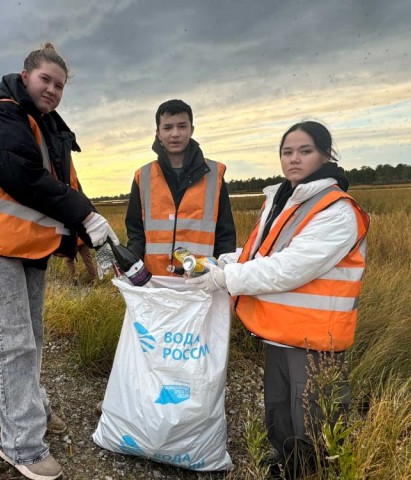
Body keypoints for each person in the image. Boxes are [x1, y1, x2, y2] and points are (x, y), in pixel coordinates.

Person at [0, 43, 118, 480]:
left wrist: (88, 229)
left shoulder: (46, 128)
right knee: (13, 344)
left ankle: (33, 409)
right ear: (25, 77)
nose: (53, 90)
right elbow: (21, 175)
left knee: (32, 337)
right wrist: (84, 215)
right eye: (46, 80)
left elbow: (64, 184)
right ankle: (20, 445)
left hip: (26, 246)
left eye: (60, 85)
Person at [187, 121, 370, 478]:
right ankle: (287, 467)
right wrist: (223, 261)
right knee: (280, 409)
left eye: (305, 151)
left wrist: (225, 279)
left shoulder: (336, 210)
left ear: (326, 155)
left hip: (317, 338)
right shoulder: (285, 199)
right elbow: (264, 253)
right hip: (281, 329)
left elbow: (289, 267)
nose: (294, 159)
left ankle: (313, 472)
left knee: (314, 417)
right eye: (287, 152)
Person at [125, 99, 236, 276]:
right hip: (155, 280)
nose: (175, 134)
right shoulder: (143, 176)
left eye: (182, 126)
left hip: (201, 280)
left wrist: (220, 274)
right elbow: (135, 231)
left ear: (192, 130)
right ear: (158, 133)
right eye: (167, 128)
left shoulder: (215, 175)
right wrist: (131, 267)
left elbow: (225, 235)